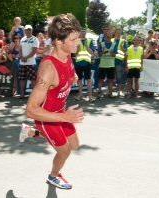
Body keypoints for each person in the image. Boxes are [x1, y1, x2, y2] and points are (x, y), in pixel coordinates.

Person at [19, 13, 84, 190]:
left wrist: (73, 76)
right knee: (65, 150)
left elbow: (67, 70)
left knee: (75, 145)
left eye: (78, 38)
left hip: (61, 113)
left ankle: (31, 132)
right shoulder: (48, 69)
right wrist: (65, 117)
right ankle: (53, 176)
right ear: (58, 42)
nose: (78, 43)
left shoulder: (67, 53)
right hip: (46, 118)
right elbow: (31, 110)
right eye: (73, 39)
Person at [74, 29, 95, 101]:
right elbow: (74, 53)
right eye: (81, 31)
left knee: (89, 80)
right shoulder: (76, 41)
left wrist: (86, 46)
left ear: (86, 33)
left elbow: (92, 53)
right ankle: (80, 95)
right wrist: (77, 49)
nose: (83, 33)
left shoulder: (89, 40)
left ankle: (90, 96)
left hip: (87, 63)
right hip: (78, 63)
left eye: (84, 31)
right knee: (79, 80)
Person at [18, 25, 39, 98]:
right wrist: (21, 57)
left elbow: (34, 51)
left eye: (29, 29)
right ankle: (22, 94)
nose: (28, 31)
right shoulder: (22, 39)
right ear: (25, 31)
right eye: (27, 30)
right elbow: (20, 49)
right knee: (22, 79)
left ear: (32, 30)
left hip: (31, 62)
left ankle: (34, 96)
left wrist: (26, 57)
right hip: (22, 62)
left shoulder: (35, 39)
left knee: (33, 79)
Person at [97, 25, 115, 98]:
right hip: (103, 65)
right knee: (101, 80)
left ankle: (110, 93)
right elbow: (99, 54)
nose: (108, 36)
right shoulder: (101, 43)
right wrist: (103, 52)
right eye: (107, 35)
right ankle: (99, 93)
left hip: (111, 65)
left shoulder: (114, 44)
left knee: (110, 80)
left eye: (110, 35)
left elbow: (114, 55)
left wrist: (111, 53)